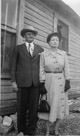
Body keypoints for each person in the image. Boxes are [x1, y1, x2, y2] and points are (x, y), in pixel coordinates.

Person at [11, 26, 44, 135]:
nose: (31, 36)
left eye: (33, 34)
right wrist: (13, 82)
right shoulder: (18, 48)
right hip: (22, 83)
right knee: (21, 107)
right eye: (28, 34)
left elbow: (43, 66)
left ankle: (31, 131)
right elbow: (13, 66)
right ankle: (21, 130)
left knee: (34, 108)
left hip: (35, 83)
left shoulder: (40, 49)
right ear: (24, 36)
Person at [39, 32, 70, 136]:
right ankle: (47, 131)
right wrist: (41, 83)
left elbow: (67, 68)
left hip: (61, 81)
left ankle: (56, 130)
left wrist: (68, 81)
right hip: (49, 81)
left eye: (56, 40)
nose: (55, 41)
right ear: (49, 42)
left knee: (59, 106)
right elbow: (41, 69)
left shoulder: (63, 54)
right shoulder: (43, 54)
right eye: (52, 40)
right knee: (48, 105)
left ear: (59, 42)